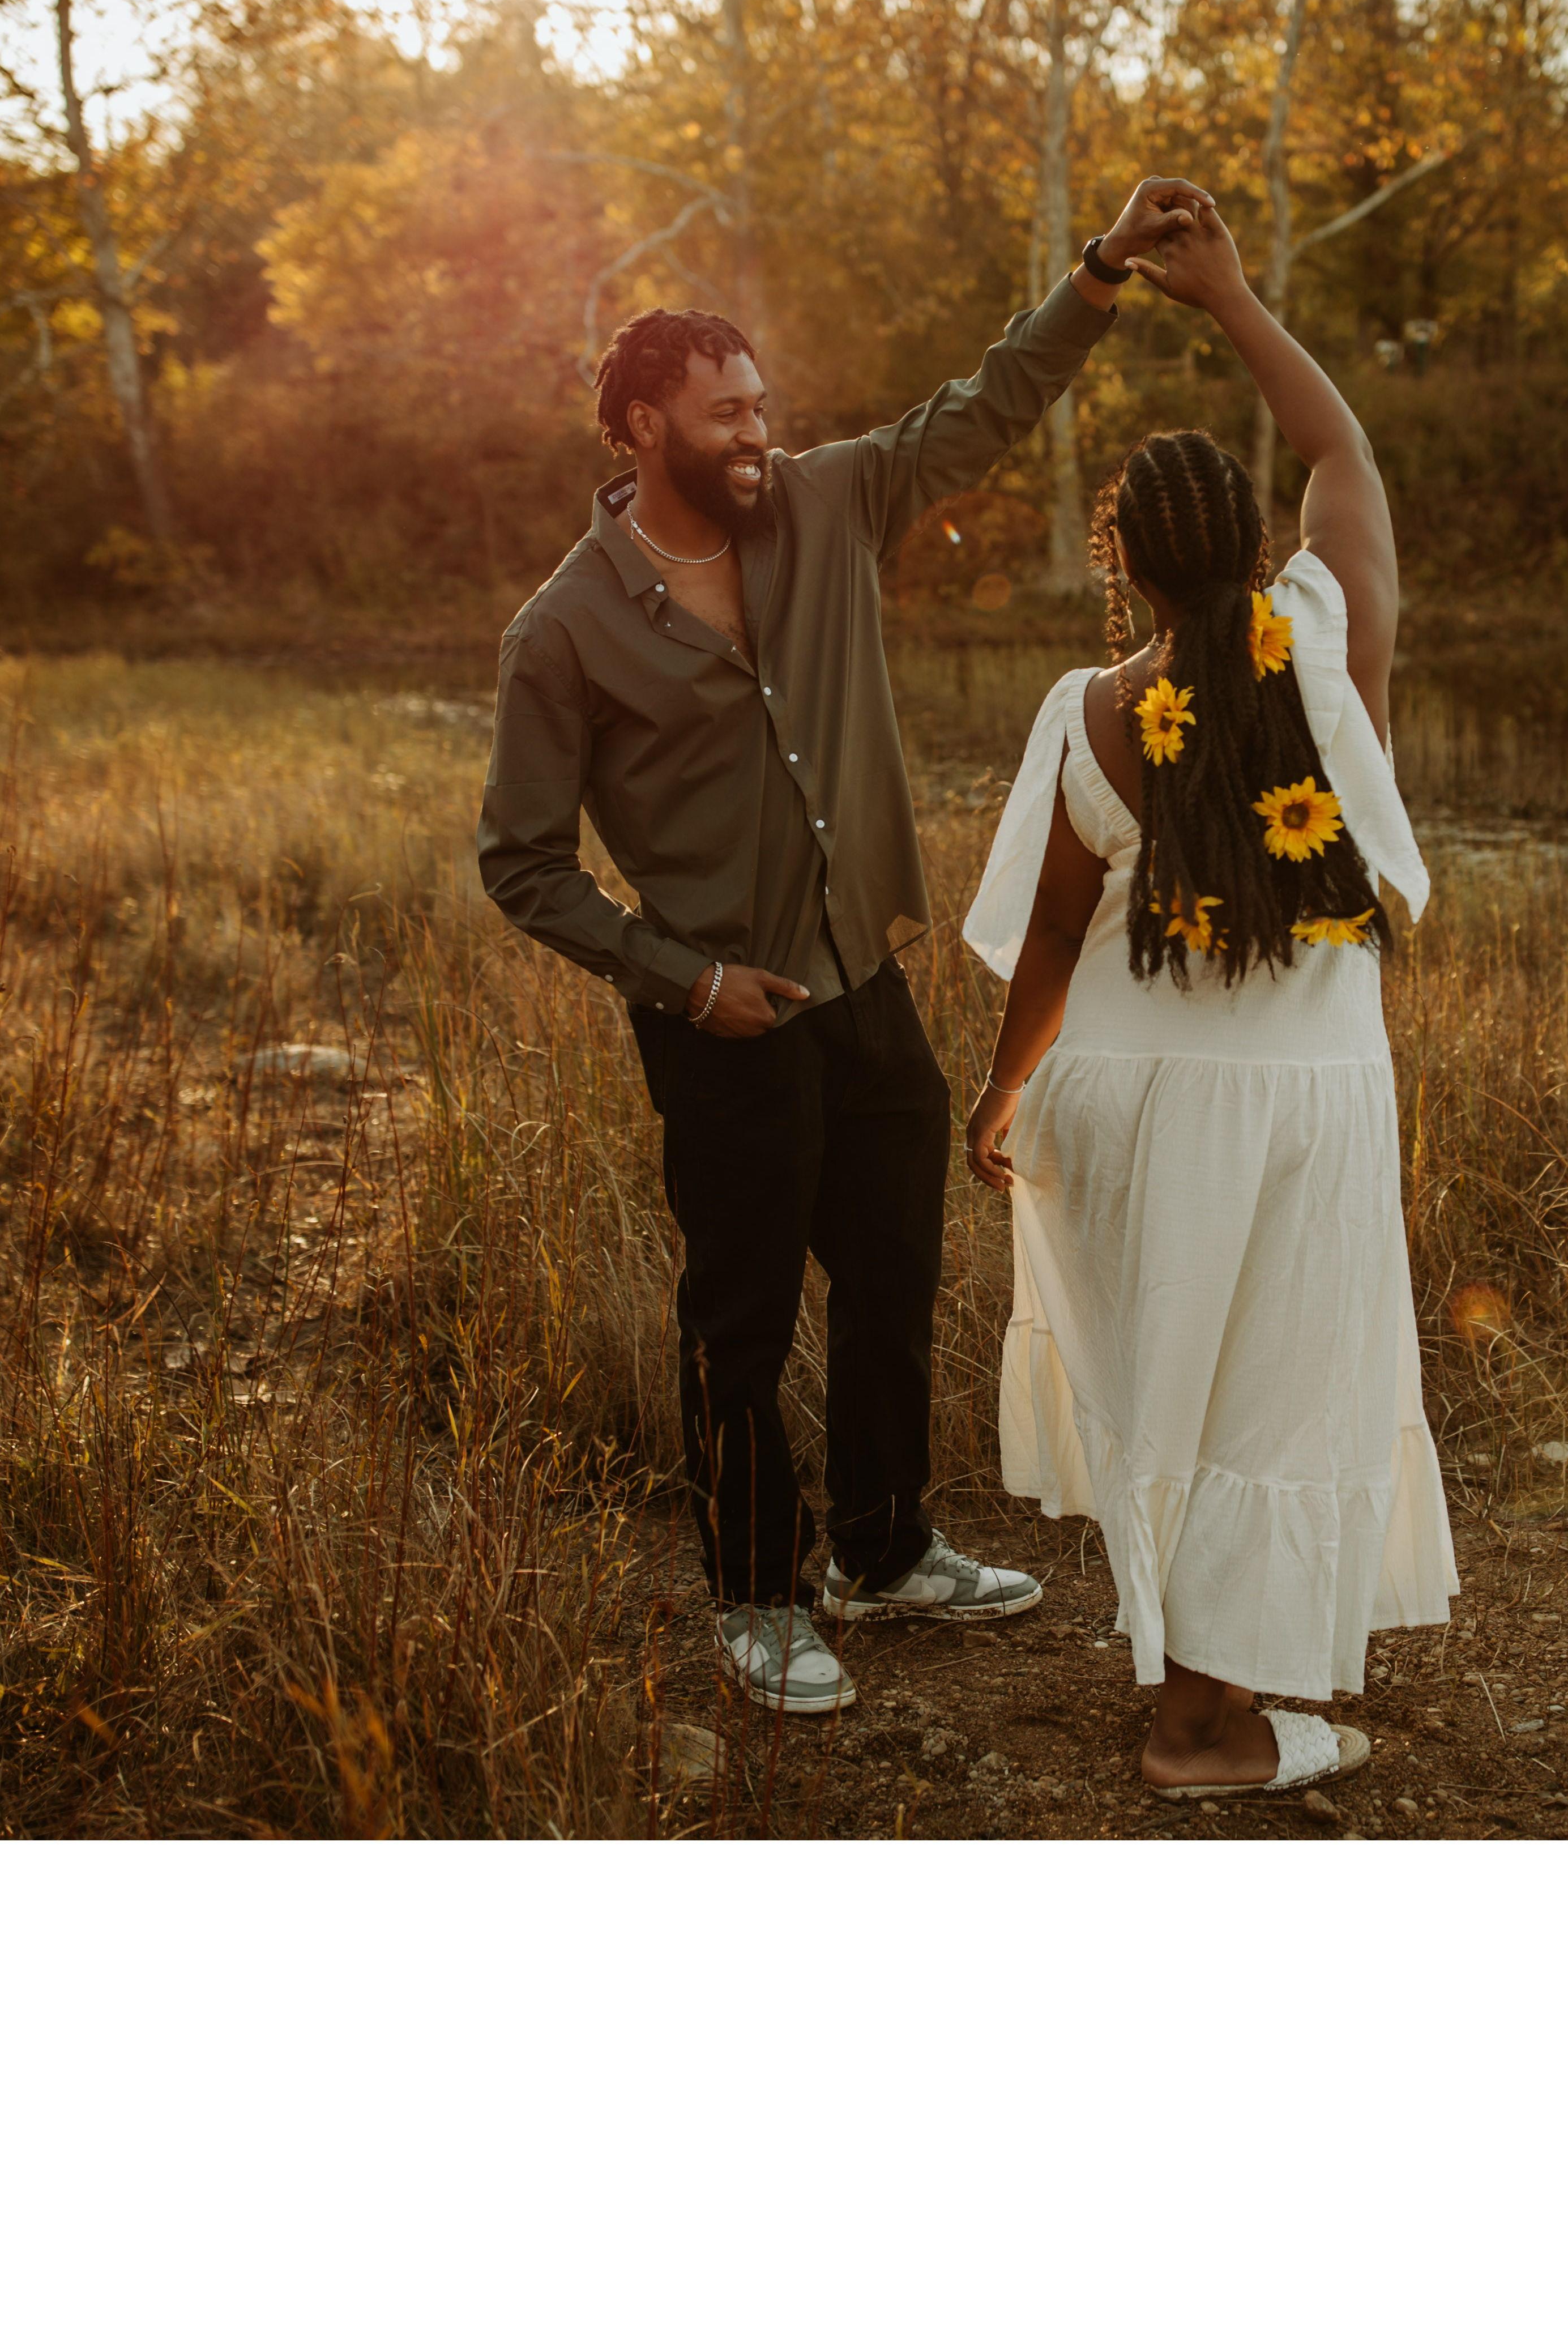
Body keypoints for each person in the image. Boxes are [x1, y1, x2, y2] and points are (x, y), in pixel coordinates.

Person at [477, 178, 1210, 1717]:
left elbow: (981, 409)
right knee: (738, 1317)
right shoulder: (564, 631)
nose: (758, 433)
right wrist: (684, 980)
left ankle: (882, 1549)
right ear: (641, 430)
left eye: (762, 405)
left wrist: (1097, 273)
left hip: (865, 987)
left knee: (891, 1275)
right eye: (725, 415)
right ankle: (755, 1595)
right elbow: (522, 864)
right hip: (723, 1019)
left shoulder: (826, 502)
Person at [962, 193, 1458, 1797]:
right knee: (1276, 1400)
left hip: (1127, 1094)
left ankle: (1195, 1692)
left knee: (1170, 1390)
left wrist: (1002, 1089)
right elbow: (1343, 450)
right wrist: (1232, 299)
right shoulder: (1326, 640)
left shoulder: (1086, 709)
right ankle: (1200, 1727)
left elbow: (1051, 937)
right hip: (1301, 1101)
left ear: (1118, 560)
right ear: (1259, 545)